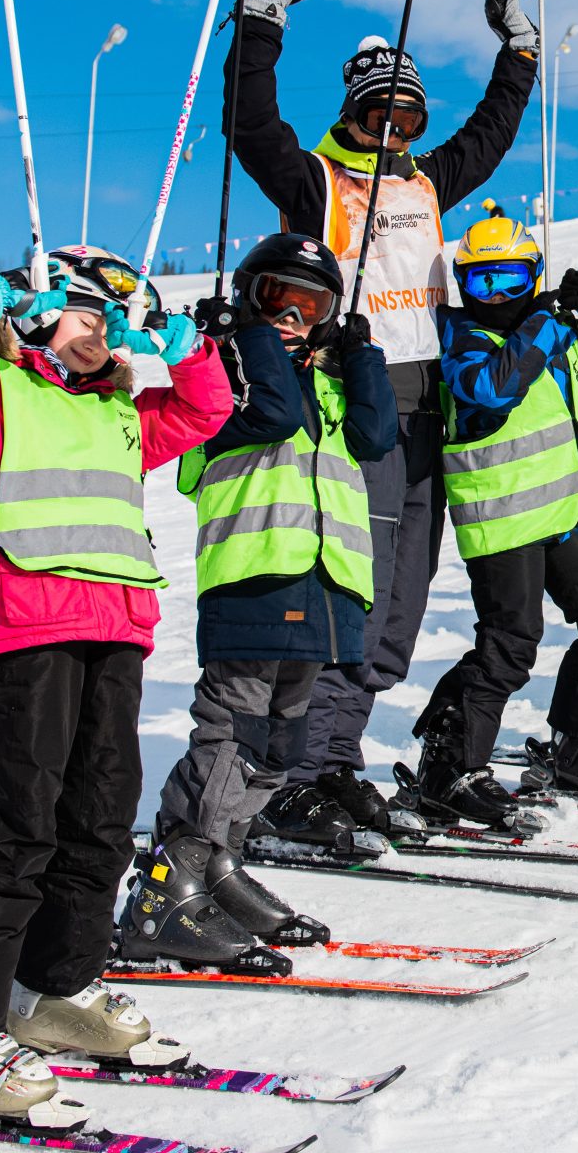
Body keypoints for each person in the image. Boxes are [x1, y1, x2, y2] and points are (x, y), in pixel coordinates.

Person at [0, 247, 228, 1119]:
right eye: (81, 311)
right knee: (16, 830)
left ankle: (51, 991)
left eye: (110, 319)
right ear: (35, 313)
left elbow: (206, 408)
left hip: (115, 627)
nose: (100, 330)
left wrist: (184, 345)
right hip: (27, 624)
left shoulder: (120, 411)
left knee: (101, 822)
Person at [217, 0, 539, 848]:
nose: (393, 131)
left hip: (428, 407)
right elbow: (249, 121)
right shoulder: (313, 180)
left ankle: (334, 763)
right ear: (354, 113)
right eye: (378, 114)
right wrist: (263, 24)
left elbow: (494, 128)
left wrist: (519, 54)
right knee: (354, 600)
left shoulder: (430, 181)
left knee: (399, 605)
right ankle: (301, 777)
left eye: (407, 115)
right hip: (359, 409)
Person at [118, 234, 398, 975]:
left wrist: (361, 352)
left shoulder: (328, 383)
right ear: (251, 295)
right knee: (231, 730)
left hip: (325, 581)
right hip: (254, 574)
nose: (294, 317)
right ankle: (165, 887)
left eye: (314, 306)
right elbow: (271, 412)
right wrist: (237, 330)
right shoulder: (231, 377)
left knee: (280, 742)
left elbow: (376, 434)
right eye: (279, 297)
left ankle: (218, 865)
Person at [410, 217, 578, 827]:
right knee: (511, 644)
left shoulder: (547, 330)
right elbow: (490, 391)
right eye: (481, 280)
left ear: (532, 275)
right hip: (504, 519)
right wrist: (546, 321)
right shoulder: (464, 339)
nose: (496, 294)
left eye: (510, 278)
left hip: (561, 512)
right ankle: (449, 767)